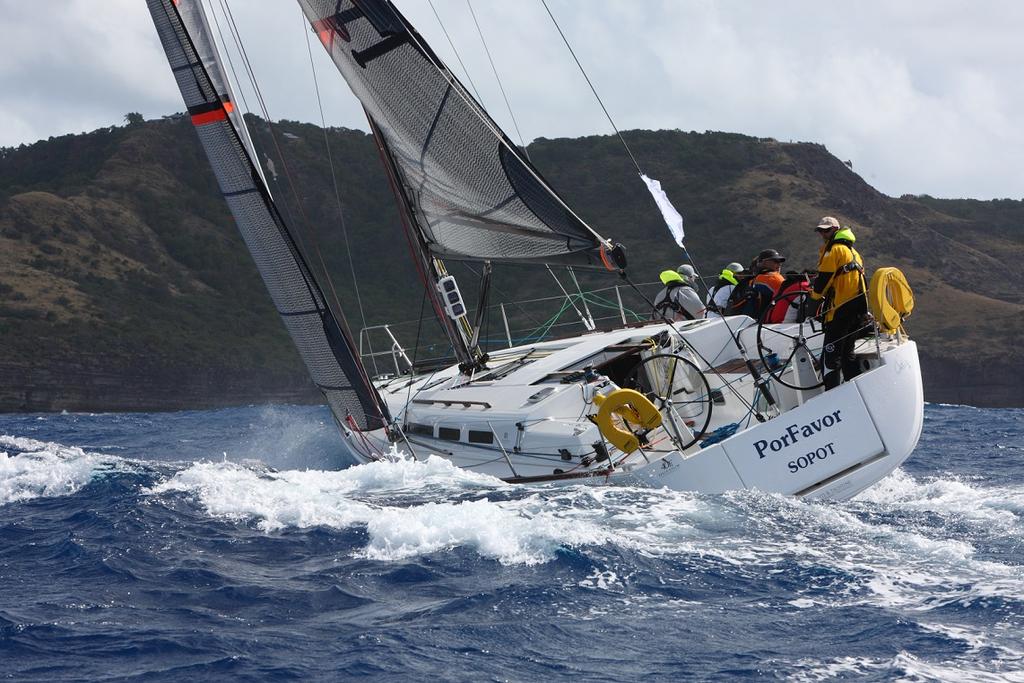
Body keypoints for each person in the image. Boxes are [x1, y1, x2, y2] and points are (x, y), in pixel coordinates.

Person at [809, 216, 869, 390]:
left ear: (835, 229)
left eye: (826, 230)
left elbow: (824, 280)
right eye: (820, 230)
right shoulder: (855, 253)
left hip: (840, 309)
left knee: (830, 356)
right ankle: (856, 391)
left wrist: (813, 302)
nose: (822, 234)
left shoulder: (834, 250)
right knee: (847, 354)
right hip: (856, 310)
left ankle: (832, 396)